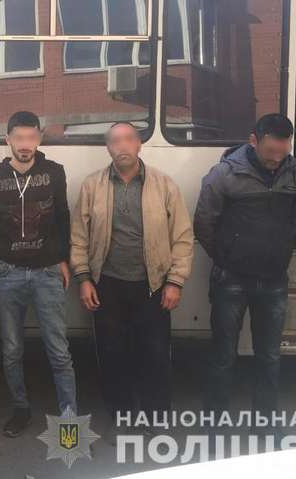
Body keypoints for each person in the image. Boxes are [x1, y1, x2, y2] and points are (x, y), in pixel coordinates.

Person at [70, 121, 193, 444]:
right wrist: (84, 279)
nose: (122, 146)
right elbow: (78, 237)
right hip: (107, 285)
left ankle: (156, 418)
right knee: (113, 356)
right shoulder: (92, 185)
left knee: (155, 355)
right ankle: (122, 418)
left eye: (128, 140)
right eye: (115, 141)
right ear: (108, 148)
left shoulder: (164, 185)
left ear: (139, 145)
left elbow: (182, 237)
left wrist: (175, 281)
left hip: (153, 286)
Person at [194, 114, 296, 434]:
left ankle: (266, 424)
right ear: (254, 141)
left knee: (269, 357)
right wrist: (228, 257)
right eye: (270, 152)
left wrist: (276, 251)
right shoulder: (224, 174)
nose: (276, 160)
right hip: (231, 279)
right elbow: (203, 223)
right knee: (223, 355)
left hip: (274, 280)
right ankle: (215, 425)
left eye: (282, 152)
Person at [0, 111, 77, 437]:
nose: (25, 144)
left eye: (31, 137)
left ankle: (69, 421)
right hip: (7, 272)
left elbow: (63, 218)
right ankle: (20, 409)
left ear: (40, 138)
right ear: (7, 139)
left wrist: (64, 260)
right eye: (18, 138)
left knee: (58, 351)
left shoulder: (54, 172)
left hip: (47, 271)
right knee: (11, 349)